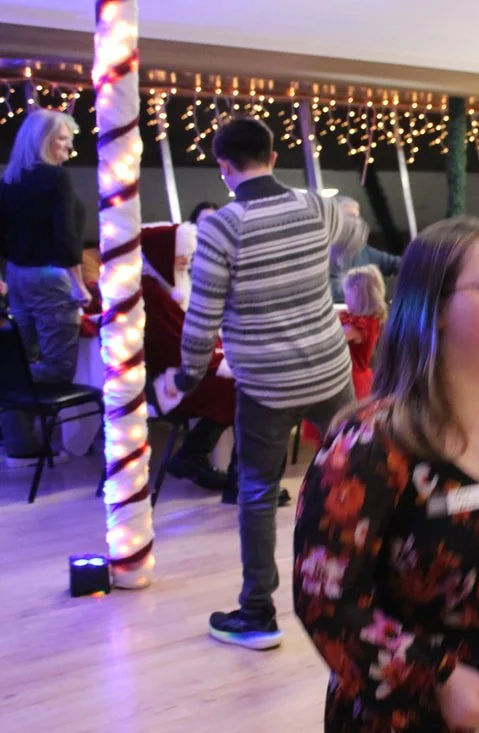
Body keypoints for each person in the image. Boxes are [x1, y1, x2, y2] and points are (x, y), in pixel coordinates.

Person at [293, 216, 479, 732]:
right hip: (405, 710)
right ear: (434, 311)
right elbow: (327, 601)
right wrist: (436, 678)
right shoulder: (369, 449)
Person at [157, 116, 366, 650]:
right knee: (356, 476)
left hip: (266, 384)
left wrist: (187, 374)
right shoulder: (316, 205)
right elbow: (354, 234)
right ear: (273, 157)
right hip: (328, 370)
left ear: (225, 168)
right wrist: (336, 255)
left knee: (256, 491)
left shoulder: (222, 226)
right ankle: (367, 592)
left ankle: (258, 615)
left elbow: (202, 316)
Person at [0, 109, 88, 467]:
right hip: (51, 279)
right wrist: (79, 284)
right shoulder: (55, 179)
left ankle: (20, 445)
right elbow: (66, 239)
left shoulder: (9, 180)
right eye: (63, 138)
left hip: (18, 275)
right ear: (46, 141)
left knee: (20, 360)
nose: (68, 146)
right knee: (57, 369)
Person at [140, 222, 233, 492]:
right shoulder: (153, 294)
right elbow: (175, 347)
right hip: (171, 378)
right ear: (160, 253)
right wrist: (219, 357)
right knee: (238, 388)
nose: (185, 259)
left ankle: (194, 454)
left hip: (185, 368)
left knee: (240, 383)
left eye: (186, 252)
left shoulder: (165, 287)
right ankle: (193, 454)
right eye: (178, 252)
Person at [329, 196, 400, 303]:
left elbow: (396, 263)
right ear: (335, 219)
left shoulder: (363, 251)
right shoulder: (318, 253)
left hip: (363, 316)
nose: (356, 223)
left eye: (357, 217)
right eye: (351, 217)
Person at [339, 264, 386, 399]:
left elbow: (334, 339)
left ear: (357, 295)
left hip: (352, 381)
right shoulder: (369, 320)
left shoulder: (361, 325)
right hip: (357, 377)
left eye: (347, 295)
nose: (345, 299)